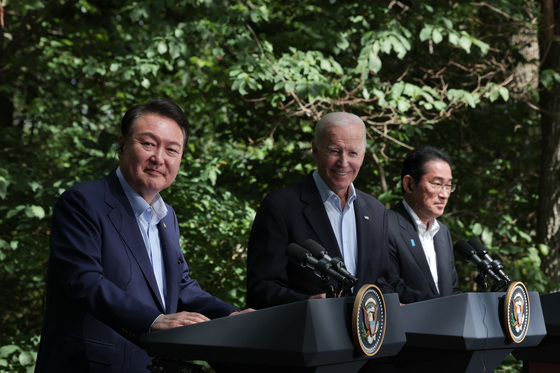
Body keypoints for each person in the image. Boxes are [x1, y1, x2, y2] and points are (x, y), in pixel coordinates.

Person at [35, 98, 251, 373]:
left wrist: (231, 316)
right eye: (148, 144)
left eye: (172, 149)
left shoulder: (167, 217)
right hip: (90, 365)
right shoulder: (82, 201)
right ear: (122, 145)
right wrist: (154, 320)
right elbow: (84, 280)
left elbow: (181, 287)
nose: (159, 158)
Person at [246, 112, 393, 309]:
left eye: (352, 153)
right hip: (305, 333)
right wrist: (308, 304)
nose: (343, 162)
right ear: (315, 150)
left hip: (365, 337)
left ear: (363, 154)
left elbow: (383, 284)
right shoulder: (280, 207)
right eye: (334, 151)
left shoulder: (376, 212)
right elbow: (261, 289)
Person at [387, 145, 461, 304]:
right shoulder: (386, 225)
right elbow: (389, 285)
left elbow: (450, 290)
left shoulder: (442, 232)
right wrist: (438, 306)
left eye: (448, 185)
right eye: (436, 184)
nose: (444, 194)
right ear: (409, 184)